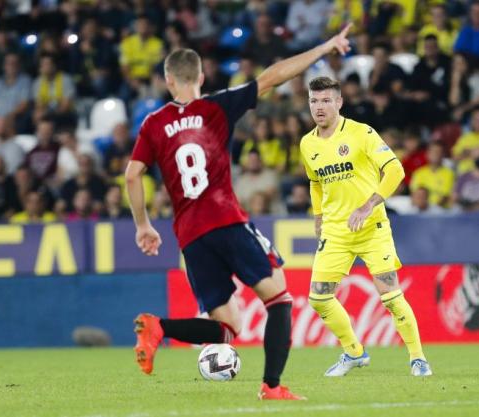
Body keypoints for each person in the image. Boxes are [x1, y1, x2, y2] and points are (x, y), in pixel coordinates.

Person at [125, 25, 353, 400]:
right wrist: (324, 47)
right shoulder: (216, 106)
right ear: (201, 77)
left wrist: (143, 225)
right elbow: (274, 76)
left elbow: (133, 176)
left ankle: (158, 327)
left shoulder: (153, 124)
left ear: (168, 80)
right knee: (279, 299)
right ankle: (272, 387)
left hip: (190, 236)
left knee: (227, 326)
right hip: (225, 219)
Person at [299, 76, 432, 377]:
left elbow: (395, 170)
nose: (319, 107)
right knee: (318, 298)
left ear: (339, 102)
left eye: (325, 100)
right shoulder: (308, 143)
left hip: (372, 226)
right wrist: (318, 216)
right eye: (314, 101)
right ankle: (354, 353)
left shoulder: (361, 133)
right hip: (335, 230)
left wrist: (368, 204)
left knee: (391, 297)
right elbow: (315, 183)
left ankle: (417, 357)